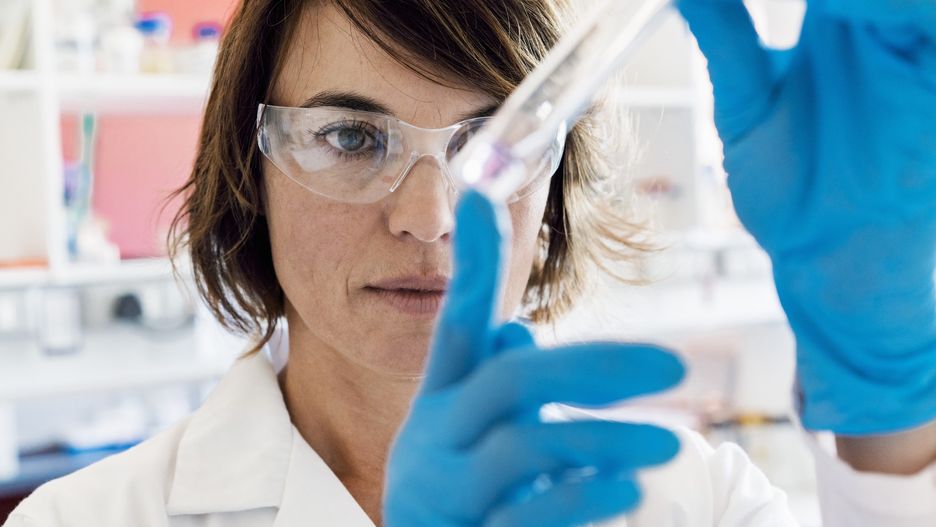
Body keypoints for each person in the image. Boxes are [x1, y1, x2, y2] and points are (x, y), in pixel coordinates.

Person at [6, 0, 935, 525]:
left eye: (494, 143)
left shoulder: (691, 501)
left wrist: (888, 401)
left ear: (552, 181)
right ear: (251, 173)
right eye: (351, 136)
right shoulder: (84, 519)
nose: (429, 217)